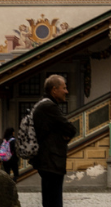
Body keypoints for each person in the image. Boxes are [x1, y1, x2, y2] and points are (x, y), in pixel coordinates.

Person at [28, 74, 78, 206]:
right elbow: (71, 129)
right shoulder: (49, 107)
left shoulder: (43, 104)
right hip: (51, 161)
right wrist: (64, 135)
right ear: (54, 90)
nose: (66, 91)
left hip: (48, 160)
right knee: (54, 201)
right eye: (64, 88)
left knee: (50, 200)